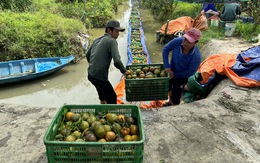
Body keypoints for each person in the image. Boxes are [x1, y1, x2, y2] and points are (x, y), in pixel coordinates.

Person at [86, 20, 128, 104]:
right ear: (109, 30)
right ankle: (110, 114)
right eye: (116, 31)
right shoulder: (112, 41)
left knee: (102, 94)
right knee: (112, 98)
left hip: (90, 75)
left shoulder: (97, 40)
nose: (118, 34)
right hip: (100, 78)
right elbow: (117, 61)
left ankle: (102, 106)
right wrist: (124, 71)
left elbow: (87, 56)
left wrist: (95, 65)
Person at [162, 28, 202, 106]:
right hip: (171, 69)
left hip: (182, 76)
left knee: (177, 93)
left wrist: (175, 74)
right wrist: (167, 66)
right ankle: (170, 101)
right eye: (185, 39)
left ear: (195, 43)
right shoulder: (178, 41)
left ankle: (175, 105)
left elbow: (191, 72)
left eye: (189, 41)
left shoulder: (196, 57)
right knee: (168, 87)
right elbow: (165, 49)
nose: (185, 43)